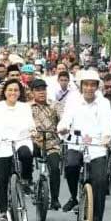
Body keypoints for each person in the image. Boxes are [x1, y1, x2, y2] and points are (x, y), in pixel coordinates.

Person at [58, 70, 111, 221]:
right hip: (76, 142)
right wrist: (63, 128)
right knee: (71, 166)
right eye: (86, 85)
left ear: (97, 87)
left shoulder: (104, 103)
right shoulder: (73, 101)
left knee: (100, 181)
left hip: (97, 145)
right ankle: (74, 196)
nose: (89, 88)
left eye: (92, 85)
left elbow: (107, 123)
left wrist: (106, 137)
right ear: (81, 86)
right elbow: (66, 119)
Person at [0, 79, 35, 221]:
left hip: (21, 140)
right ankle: (3, 212)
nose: (13, 93)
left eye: (16, 90)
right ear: (5, 92)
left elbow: (31, 124)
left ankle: (26, 180)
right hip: (1, 143)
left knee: (26, 154)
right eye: (10, 90)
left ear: (20, 93)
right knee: (2, 179)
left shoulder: (25, 107)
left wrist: (33, 130)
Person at [29, 78, 62, 210]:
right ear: (32, 92)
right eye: (38, 90)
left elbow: (63, 118)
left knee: (55, 168)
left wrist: (63, 127)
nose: (41, 92)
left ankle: (54, 199)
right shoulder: (27, 107)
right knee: (24, 155)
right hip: (34, 142)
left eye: (43, 89)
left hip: (51, 143)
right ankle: (26, 181)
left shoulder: (55, 105)